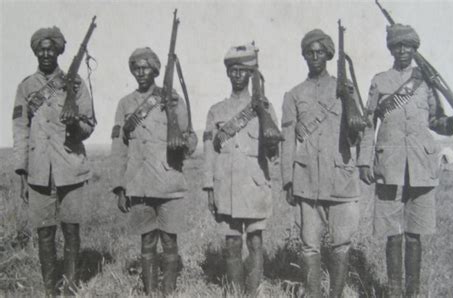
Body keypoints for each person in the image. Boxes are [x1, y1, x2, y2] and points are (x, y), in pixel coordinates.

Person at [357, 24, 453, 297]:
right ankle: (393, 291)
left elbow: (435, 121)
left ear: (415, 49)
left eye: (408, 46)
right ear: (390, 49)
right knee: (392, 233)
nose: (402, 51)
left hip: (420, 164)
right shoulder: (380, 81)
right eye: (397, 46)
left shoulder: (425, 81)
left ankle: (412, 293)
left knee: (415, 233)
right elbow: (369, 124)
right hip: (389, 164)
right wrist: (364, 161)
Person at [12, 26, 95, 296]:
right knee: (44, 233)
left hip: (70, 166)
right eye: (41, 48)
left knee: (71, 228)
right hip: (38, 171)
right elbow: (20, 130)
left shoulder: (76, 83)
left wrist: (74, 125)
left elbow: (89, 125)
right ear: (36, 51)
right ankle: (50, 289)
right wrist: (22, 172)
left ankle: (70, 287)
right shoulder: (25, 87)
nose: (46, 52)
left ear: (59, 50)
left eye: (51, 48)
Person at [280, 29, 361, 297]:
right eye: (309, 52)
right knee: (309, 246)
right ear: (303, 55)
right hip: (307, 181)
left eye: (320, 51)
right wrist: (288, 180)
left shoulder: (345, 88)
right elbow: (288, 140)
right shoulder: (294, 94)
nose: (314, 56)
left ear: (328, 54)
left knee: (341, 244)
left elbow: (363, 127)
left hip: (341, 179)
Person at [110, 47, 196, 296]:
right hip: (139, 185)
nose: (140, 72)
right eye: (136, 67)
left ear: (156, 69)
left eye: (145, 67)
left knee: (169, 242)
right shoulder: (124, 104)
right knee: (147, 242)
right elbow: (119, 148)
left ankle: (168, 292)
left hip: (169, 183)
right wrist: (120, 187)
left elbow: (190, 140)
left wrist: (181, 139)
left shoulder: (172, 99)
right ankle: (150, 293)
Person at [202, 43, 278, 296]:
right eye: (232, 70)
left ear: (251, 74)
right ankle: (235, 292)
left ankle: (253, 292)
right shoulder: (216, 111)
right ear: (227, 73)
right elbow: (209, 152)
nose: (237, 75)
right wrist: (209, 187)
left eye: (242, 70)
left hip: (254, 185)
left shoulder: (264, 107)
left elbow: (273, 151)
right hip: (227, 187)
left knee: (255, 242)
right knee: (232, 244)